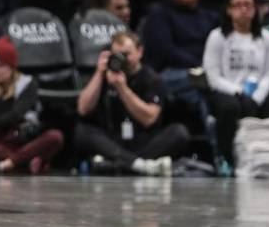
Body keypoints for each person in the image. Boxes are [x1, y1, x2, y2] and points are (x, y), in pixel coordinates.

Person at [202, 0, 269, 166]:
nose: (244, 9)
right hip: (227, 89)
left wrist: (256, 98)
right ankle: (226, 159)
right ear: (229, 9)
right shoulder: (217, 37)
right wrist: (240, 93)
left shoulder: (266, 37)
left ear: (255, 9)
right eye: (238, 5)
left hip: (259, 91)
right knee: (229, 108)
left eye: (248, 5)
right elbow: (213, 77)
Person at [76, 31, 189, 176]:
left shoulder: (152, 79)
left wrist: (122, 88)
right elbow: (83, 109)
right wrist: (99, 73)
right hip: (113, 140)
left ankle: (117, 165)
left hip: (142, 141)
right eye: (117, 55)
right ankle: (139, 166)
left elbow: (149, 118)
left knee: (179, 132)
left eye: (126, 54)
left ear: (139, 52)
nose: (122, 60)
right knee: (82, 131)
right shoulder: (104, 75)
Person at [0, 37, 64, 175]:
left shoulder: (28, 84)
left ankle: (3, 165)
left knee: (55, 137)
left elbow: (16, 115)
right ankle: (21, 163)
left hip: (23, 140)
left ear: (11, 66)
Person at [143, 0, 219, 129]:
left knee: (205, 95)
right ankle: (219, 151)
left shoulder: (211, 16)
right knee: (207, 84)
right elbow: (166, 51)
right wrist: (202, 67)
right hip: (168, 73)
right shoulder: (159, 13)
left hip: (203, 75)